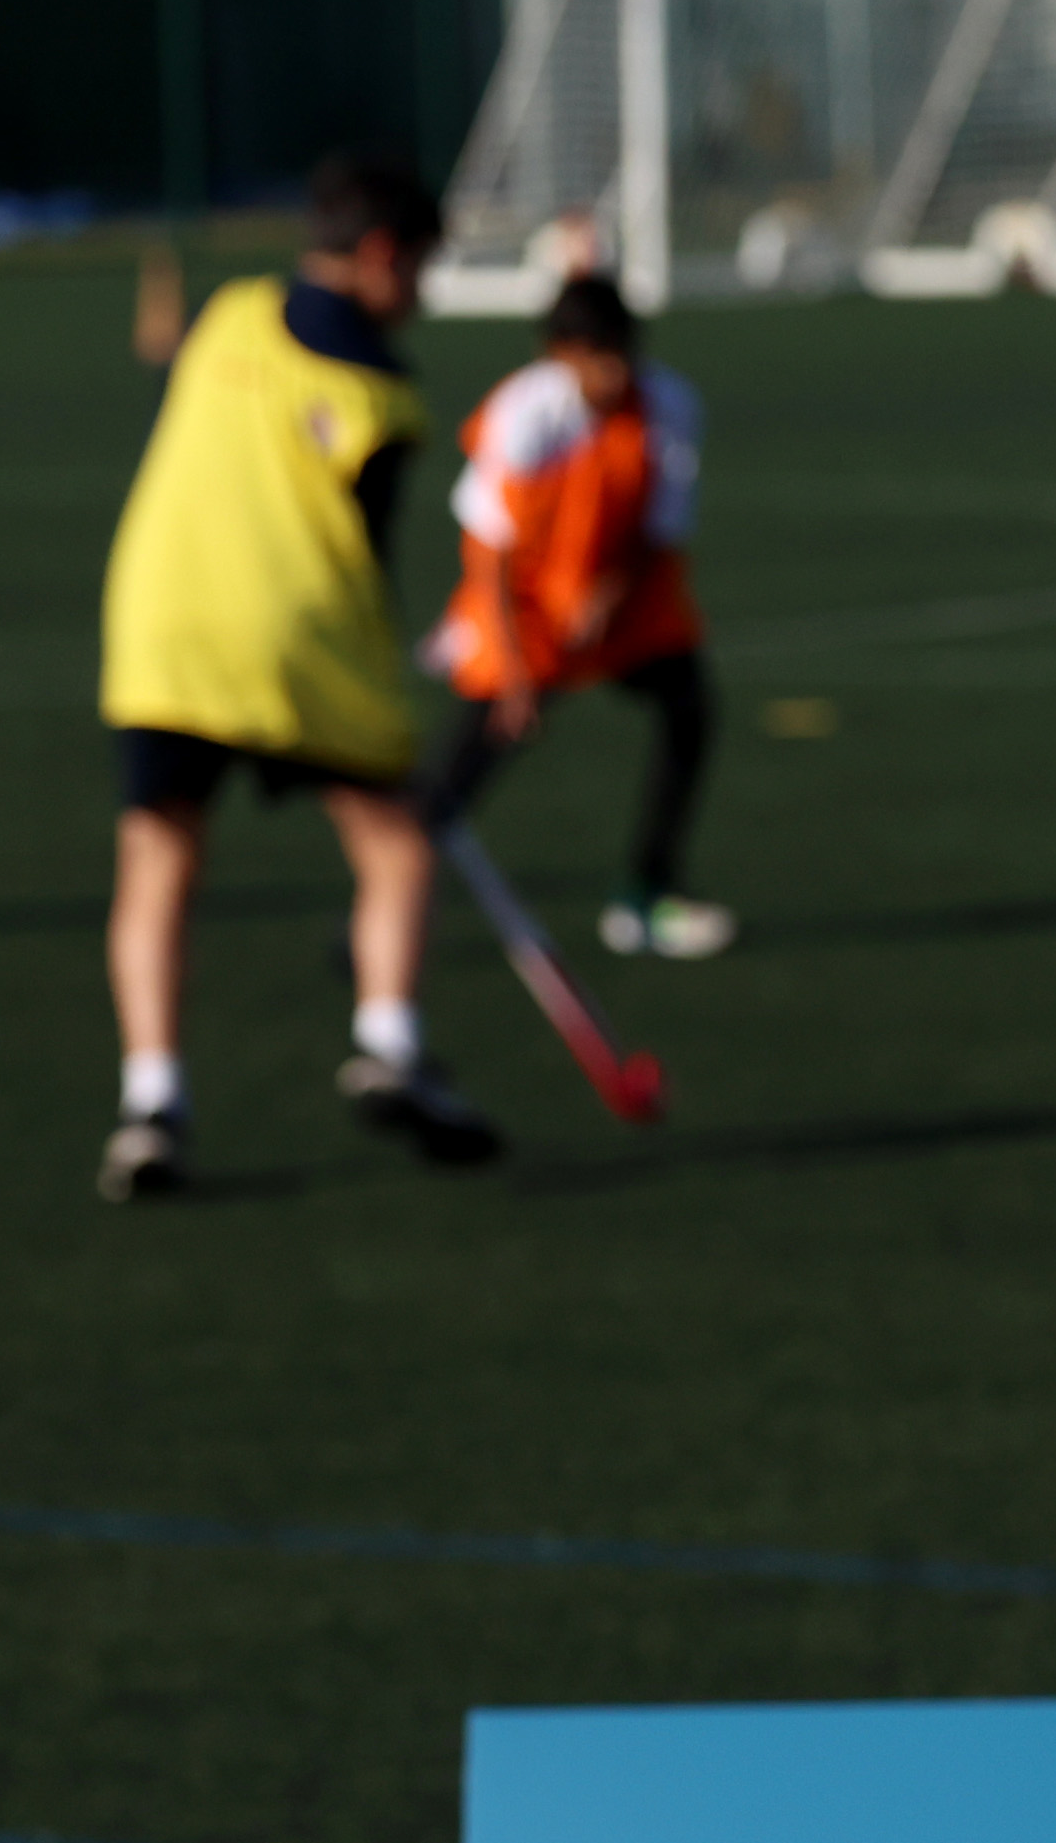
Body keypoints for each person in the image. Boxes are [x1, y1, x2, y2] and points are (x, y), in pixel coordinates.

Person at [93, 150, 500, 1200]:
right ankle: (390, 1041)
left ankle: (150, 1104)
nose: (421, 295)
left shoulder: (230, 311)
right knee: (397, 845)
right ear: (375, 255)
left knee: (159, 858)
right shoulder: (383, 391)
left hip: (160, 622)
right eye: (417, 269)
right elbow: (357, 558)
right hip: (293, 635)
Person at [415, 272, 732, 960]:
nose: (612, 374)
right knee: (468, 761)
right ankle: (384, 916)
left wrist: (609, 597)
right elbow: (490, 555)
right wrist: (518, 672)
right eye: (596, 359)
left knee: (690, 710)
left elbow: (660, 532)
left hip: (623, 601)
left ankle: (647, 895)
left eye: (622, 355)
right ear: (558, 355)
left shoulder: (669, 407)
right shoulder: (522, 415)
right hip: (521, 608)